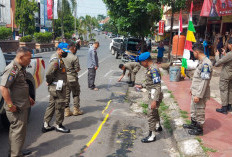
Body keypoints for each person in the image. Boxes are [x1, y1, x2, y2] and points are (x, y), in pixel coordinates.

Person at [0, 47, 34, 157]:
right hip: (16, 108)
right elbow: (3, 88)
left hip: (22, 104)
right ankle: (16, 154)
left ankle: (14, 151)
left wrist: (28, 97)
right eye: (28, 58)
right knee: (18, 133)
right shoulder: (12, 69)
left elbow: (21, 85)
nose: (30, 61)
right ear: (21, 57)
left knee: (16, 132)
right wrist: (10, 105)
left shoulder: (20, 67)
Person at [183, 43, 212, 135]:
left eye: (193, 52)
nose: (193, 54)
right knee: (193, 108)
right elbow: (196, 78)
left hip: (200, 92)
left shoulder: (206, 64)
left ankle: (199, 129)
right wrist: (192, 88)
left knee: (199, 110)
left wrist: (199, 95)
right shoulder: (201, 62)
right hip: (196, 90)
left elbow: (204, 81)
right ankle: (194, 124)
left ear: (197, 52)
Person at [42, 42, 70, 133]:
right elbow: (48, 73)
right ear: (59, 50)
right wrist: (49, 81)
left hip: (55, 87)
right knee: (60, 105)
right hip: (57, 87)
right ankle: (59, 125)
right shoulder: (56, 60)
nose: (65, 53)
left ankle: (46, 125)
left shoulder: (58, 58)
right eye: (64, 51)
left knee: (52, 105)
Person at [135, 52, 163, 143]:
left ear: (146, 61)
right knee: (154, 111)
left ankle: (152, 135)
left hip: (155, 95)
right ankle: (158, 126)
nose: (141, 64)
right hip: (153, 93)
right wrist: (142, 86)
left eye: (141, 62)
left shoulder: (153, 70)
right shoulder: (150, 68)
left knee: (151, 115)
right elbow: (150, 82)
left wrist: (154, 100)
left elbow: (157, 86)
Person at [62, 42, 83, 117]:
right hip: (72, 78)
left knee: (66, 95)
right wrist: (78, 69)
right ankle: (76, 110)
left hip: (65, 78)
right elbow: (77, 69)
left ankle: (67, 111)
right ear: (74, 48)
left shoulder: (63, 56)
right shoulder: (74, 57)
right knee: (76, 93)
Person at [215, 37, 232, 114]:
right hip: (230, 75)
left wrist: (217, 56)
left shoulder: (230, 54)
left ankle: (224, 108)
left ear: (230, 45)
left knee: (224, 90)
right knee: (230, 90)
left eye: (228, 44)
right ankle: (229, 106)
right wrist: (225, 54)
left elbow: (218, 63)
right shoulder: (229, 54)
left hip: (225, 75)